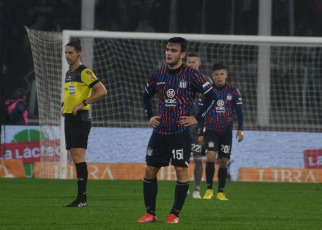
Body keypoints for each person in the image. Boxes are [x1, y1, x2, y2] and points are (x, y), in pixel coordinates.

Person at [137, 37, 217, 223]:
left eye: (173, 51)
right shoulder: (158, 75)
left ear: (182, 54)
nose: (168, 53)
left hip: (180, 131)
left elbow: (212, 96)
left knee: (181, 170)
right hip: (160, 130)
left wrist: (197, 118)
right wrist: (150, 115)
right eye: (167, 49)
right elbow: (146, 95)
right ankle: (150, 213)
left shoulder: (192, 75)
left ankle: (174, 214)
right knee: (150, 170)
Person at [61, 41, 107, 207]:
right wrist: (63, 106)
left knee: (79, 157)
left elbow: (102, 90)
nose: (67, 56)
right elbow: (71, 95)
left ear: (79, 54)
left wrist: (83, 103)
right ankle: (80, 198)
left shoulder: (85, 72)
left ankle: (82, 199)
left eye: (71, 53)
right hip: (70, 118)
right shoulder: (69, 73)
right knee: (76, 158)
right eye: (66, 52)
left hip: (80, 118)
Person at [199, 63, 244, 201]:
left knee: (224, 161)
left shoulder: (233, 91)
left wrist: (240, 129)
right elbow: (201, 113)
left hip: (226, 132)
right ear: (212, 76)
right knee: (211, 156)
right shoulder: (207, 91)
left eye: (222, 74)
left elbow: (239, 112)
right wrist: (201, 133)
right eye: (216, 74)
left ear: (226, 75)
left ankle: (221, 192)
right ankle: (209, 190)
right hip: (211, 130)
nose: (219, 77)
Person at [185, 53, 212, 199]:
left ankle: (196, 189)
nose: (191, 64)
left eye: (194, 62)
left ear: (199, 63)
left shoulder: (206, 80)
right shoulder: (181, 78)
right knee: (181, 158)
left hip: (198, 126)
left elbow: (211, 102)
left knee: (198, 158)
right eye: (189, 62)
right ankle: (184, 187)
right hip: (183, 124)